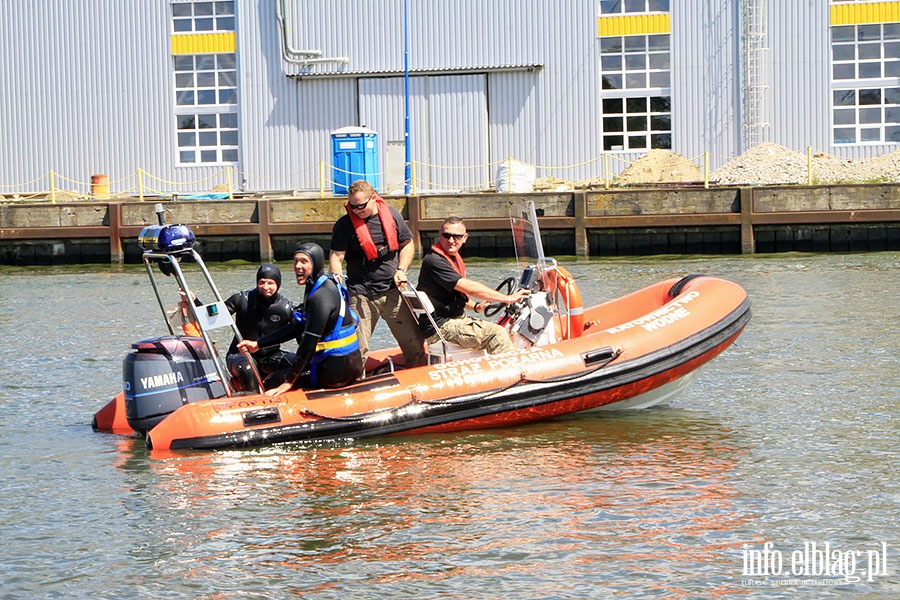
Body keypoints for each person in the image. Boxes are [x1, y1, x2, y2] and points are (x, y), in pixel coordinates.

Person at [238, 242, 363, 395]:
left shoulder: (320, 297)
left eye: (304, 261)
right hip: (346, 362)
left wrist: (289, 382)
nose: (298, 266)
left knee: (272, 380)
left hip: (335, 371)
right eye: (296, 261)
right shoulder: (322, 284)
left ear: (316, 263)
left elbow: (308, 344)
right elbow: (298, 327)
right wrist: (258, 344)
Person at [329, 179, 426, 370]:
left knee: (414, 344)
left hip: (392, 290)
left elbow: (407, 244)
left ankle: (418, 378)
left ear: (373, 198)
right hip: (360, 293)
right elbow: (336, 257)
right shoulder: (344, 225)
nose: (356, 210)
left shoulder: (392, 215)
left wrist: (402, 269)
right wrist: (337, 283)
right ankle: (357, 385)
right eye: (352, 206)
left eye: (361, 206)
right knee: (358, 348)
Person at [416, 216, 530, 354]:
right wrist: (508, 298)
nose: (451, 241)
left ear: (465, 238)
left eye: (456, 237)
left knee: (496, 330)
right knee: (497, 333)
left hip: (452, 319)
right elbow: (467, 287)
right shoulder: (435, 261)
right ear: (440, 235)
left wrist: (476, 307)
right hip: (441, 326)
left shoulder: (450, 258)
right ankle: (511, 372)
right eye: (447, 235)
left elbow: (453, 296)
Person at [221, 264, 296, 392]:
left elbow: (301, 334)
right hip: (239, 355)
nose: (265, 287)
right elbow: (212, 317)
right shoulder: (242, 299)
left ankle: (271, 385)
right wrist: (193, 301)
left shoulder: (286, 307)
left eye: (270, 283)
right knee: (248, 369)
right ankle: (253, 401)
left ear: (278, 284)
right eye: (262, 282)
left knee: (302, 364)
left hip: (271, 356)